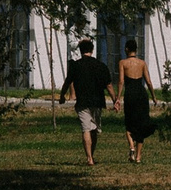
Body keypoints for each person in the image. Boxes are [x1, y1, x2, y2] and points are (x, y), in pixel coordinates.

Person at [58, 37, 112, 165]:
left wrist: (62, 95)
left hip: (82, 102)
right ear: (92, 50)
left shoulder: (75, 66)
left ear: (81, 50)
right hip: (98, 101)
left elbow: (67, 82)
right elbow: (109, 85)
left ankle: (89, 158)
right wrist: (115, 99)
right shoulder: (100, 66)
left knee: (86, 129)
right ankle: (91, 155)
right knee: (94, 130)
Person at [116, 37, 157, 163]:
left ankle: (132, 147)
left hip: (130, 94)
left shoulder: (123, 63)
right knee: (141, 124)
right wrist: (153, 96)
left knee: (129, 122)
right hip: (141, 94)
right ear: (136, 50)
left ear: (127, 49)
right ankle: (138, 157)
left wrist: (118, 98)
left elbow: (121, 81)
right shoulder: (142, 63)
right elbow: (149, 82)